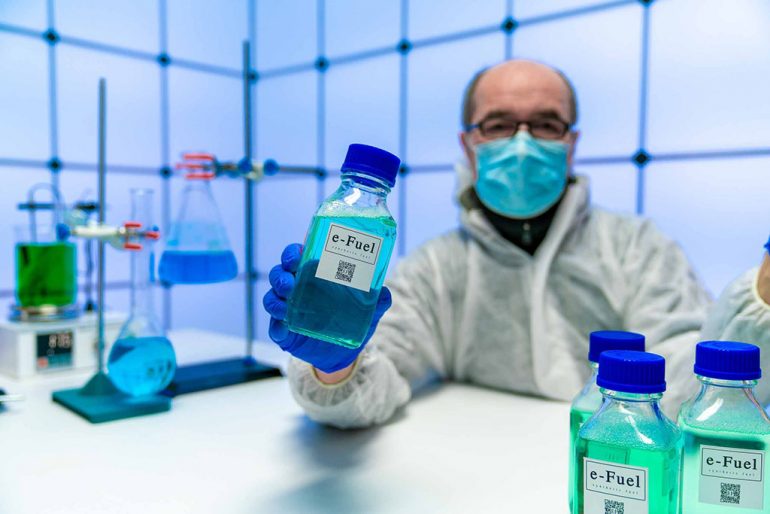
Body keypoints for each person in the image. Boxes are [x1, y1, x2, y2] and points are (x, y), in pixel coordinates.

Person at [263, 59, 770, 429]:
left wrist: (762, 300)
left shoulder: (638, 249)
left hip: (607, 464)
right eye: (499, 125)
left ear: (571, 143)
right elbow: (374, 389)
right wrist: (336, 366)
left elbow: (698, 388)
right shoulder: (437, 267)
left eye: (546, 125)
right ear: (468, 144)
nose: (522, 142)